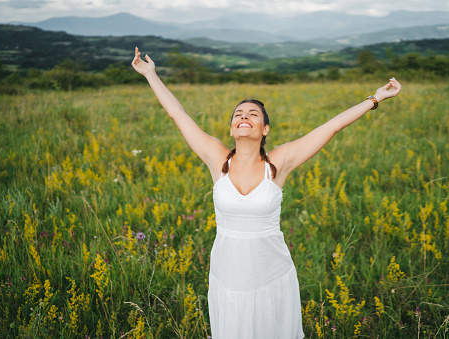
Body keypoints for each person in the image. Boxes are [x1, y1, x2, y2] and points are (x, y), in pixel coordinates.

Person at [131, 47, 401, 339]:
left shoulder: (278, 163)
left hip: (271, 275)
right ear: (232, 128)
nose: (243, 116)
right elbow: (177, 114)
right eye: (238, 114)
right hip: (228, 278)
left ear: (265, 128)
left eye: (253, 114)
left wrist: (376, 98)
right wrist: (150, 74)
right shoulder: (216, 158)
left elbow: (331, 127)